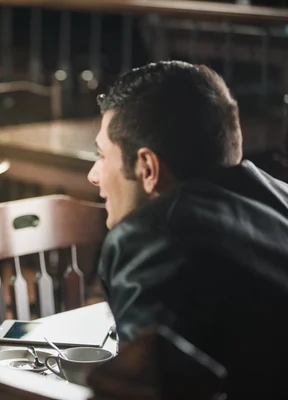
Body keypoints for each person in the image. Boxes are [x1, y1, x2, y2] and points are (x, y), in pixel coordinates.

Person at [87, 60, 288, 398]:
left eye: (102, 156)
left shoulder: (151, 236)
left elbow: (143, 389)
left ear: (148, 167)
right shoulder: (281, 200)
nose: (94, 175)